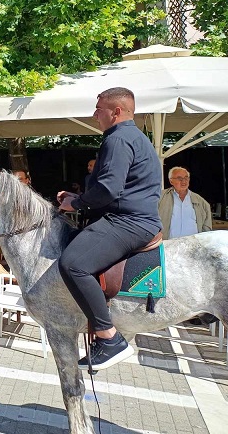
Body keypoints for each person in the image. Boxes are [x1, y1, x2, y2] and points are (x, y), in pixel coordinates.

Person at [57, 87, 162, 371]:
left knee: (73, 264)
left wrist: (76, 203)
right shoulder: (134, 137)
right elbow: (111, 187)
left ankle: (109, 338)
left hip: (129, 222)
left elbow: (108, 189)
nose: (94, 116)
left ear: (116, 112)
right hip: (133, 217)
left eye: (99, 109)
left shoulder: (117, 139)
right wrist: (75, 197)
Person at [159, 166, 212, 239]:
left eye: (186, 178)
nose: (184, 181)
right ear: (171, 181)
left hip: (193, 245)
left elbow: (207, 226)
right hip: (169, 245)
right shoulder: (161, 197)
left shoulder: (200, 201)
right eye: (179, 178)